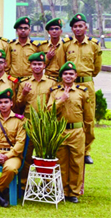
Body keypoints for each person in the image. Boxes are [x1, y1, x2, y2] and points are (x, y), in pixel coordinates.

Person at [47, 62, 93, 203]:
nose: (68, 76)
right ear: (62, 75)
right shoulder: (55, 91)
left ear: (76, 76)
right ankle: (62, 190)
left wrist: (88, 136)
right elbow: (49, 110)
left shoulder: (82, 91)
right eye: (65, 74)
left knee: (76, 162)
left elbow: (89, 116)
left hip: (77, 130)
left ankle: (73, 192)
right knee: (61, 162)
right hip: (60, 130)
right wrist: (61, 100)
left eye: (71, 74)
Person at [65, 13, 102, 164]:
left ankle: (86, 150)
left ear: (86, 27)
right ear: (72, 29)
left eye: (81, 26)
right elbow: (63, 64)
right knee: (71, 116)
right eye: (75, 26)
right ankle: (68, 145)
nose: (78, 29)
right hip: (70, 84)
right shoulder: (67, 45)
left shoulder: (93, 44)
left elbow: (97, 67)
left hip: (87, 84)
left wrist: (86, 77)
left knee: (88, 118)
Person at [16, 52, 57, 118]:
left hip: (45, 119)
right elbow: (18, 105)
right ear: (30, 66)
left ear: (44, 66)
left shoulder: (52, 83)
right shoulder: (23, 83)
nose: (37, 66)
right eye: (34, 64)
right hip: (29, 119)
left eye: (39, 64)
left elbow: (54, 103)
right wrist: (24, 94)